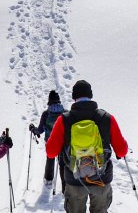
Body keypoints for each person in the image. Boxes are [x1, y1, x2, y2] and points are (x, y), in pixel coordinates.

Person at [46, 80, 129, 213]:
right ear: (90, 95)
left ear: (74, 97)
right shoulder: (106, 118)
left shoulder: (63, 120)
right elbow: (122, 150)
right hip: (101, 177)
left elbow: (50, 152)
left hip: (74, 179)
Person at [28, 90, 67, 186]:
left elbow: (40, 130)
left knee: (50, 158)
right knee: (63, 162)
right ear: (59, 101)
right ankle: (65, 183)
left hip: (51, 141)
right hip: (63, 142)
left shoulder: (46, 114)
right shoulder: (66, 113)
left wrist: (33, 129)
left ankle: (48, 179)